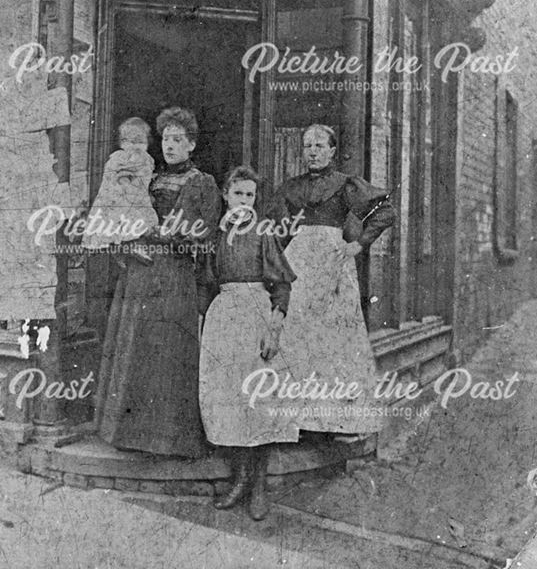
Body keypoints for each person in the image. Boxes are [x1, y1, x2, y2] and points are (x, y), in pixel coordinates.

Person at [93, 106, 221, 457]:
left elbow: (206, 234)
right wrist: (129, 242)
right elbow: (120, 212)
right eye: (165, 139)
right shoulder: (147, 177)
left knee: (167, 352)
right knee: (137, 348)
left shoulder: (203, 183)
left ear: (192, 145)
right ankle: (131, 436)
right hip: (140, 272)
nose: (170, 146)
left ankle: (169, 440)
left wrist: (163, 235)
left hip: (175, 276)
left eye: (178, 140)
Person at [265, 123, 396, 438]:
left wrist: (358, 244)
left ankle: (334, 420)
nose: (312, 151)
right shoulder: (290, 187)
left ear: (332, 150)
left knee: (334, 337)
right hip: (299, 262)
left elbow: (385, 211)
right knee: (297, 333)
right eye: (308, 145)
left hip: (333, 263)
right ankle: (297, 419)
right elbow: (274, 223)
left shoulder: (344, 185)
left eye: (320, 146)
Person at [199, 165, 298, 520]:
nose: (243, 200)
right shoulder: (215, 235)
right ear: (226, 195)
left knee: (258, 401)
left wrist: (274, 326)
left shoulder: (262, 233)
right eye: (238, 193)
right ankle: (239, 479)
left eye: (250, 195)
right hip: (224, 317)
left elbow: (282, 284)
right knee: (230, 399)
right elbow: (206, 282)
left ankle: (258, 486)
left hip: (256, 314)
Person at [81, 116, 158, 264]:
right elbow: (113, 176)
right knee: (123, 221)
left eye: (140, 142)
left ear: (147, 143)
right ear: (122, 143)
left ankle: (133, 246)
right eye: (130, 141)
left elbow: (144, 178)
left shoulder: (146, 159)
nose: (135, 146)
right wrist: (123, 181)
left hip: (136, 193)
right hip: (118, 195)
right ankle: (122, 249)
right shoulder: (118, 158)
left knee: (141, 220)